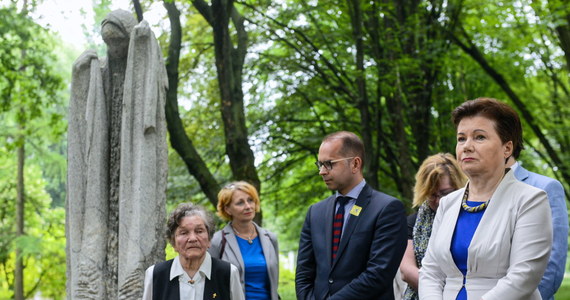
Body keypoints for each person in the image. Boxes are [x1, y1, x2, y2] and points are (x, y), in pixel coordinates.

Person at [419, 98, 553, 299]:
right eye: (461, 138)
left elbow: (523, 276)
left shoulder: (531, 200)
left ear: (507, 148)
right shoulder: (448, 203)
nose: (467, 146)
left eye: (479, 137)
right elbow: (431, 271)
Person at [296, 131, 408, 300]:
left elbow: (378, 274)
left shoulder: (387, 209)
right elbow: (304, 273)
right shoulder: (315, 213)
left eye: (329, 164)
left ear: (355, 164)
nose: (322, 171)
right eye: (319, 164)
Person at [142, 203, 245, 300]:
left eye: (199, 231)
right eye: (184, 232)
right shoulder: (155, 274)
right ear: (173, 242)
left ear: (209, 239)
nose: (192, 238)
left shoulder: (228, 273)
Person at [399, 153, 467, 300]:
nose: (438, 201)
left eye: (444, 194)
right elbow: (406, 270)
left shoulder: (470, 216)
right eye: (432, 195)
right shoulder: (413, 223)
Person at [506, 155, 568, 300]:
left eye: (481, 138)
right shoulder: (474, 191)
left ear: (507, 146)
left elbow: (553, 264)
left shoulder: (546, 186)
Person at [209, 181, 280, 300]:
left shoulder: (270, 238)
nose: (248, 206)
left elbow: (274, 281)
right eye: (240, 203)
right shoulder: (217, 241)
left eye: (250, 200)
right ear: (227, 209)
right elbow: (210, 285)